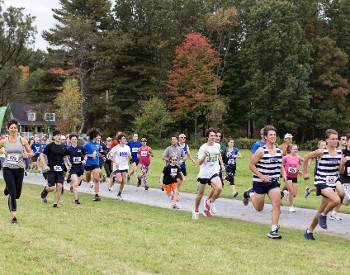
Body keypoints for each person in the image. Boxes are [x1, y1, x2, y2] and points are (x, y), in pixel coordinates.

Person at [243, 125, 286, 239]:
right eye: (270, 135)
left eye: (274, 135)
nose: (273, 137)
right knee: (259, 208)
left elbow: (280, 164)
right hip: (260, 182)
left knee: (276, 204)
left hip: (273, 182)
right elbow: (251, 165)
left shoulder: (279, 151)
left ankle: (273, 230)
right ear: (265, 137)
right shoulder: (261, 151)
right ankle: (249, 193)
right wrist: (261, 176)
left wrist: (284, 174)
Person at [303, 129, 344, 241]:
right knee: (336, 200)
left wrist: (342, 165)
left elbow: (340, 171)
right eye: (332, 139)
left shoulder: (340, 152)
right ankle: (324, 215)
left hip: (332, 182)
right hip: (321, 181)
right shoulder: (321, 151)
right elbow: (306, 157)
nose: (335, 141)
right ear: (327, 140)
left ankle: (309, 231)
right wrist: (305, 172)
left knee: (321, 209)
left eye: (336, 139)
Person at [0, 119, 34, 224]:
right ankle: (14, 217)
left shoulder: (22, 140)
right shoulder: (4, 141)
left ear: (17, 128)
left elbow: (31, 153)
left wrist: (27, 155)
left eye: (15, 127)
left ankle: (7, 188)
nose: (13, 129)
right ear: (8, 129)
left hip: (19, 168)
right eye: (11, 128)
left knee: (17, 194)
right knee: (13, 193)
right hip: (7, 168)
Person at [192, 128, 225, 219]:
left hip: (214, 171)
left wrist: (222, 165)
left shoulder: (217, 146)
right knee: (200, 194)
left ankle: (210, 201)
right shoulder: (203, 148)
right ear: (207, 137)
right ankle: (196, 210)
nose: (214, 137)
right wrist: (205, 155)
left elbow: (218, 154)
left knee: (219, 187)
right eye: (212, 136)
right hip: (204, 173)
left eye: (215, 135)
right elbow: (199, 162)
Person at [40, 130, 71, 208]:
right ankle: (45, 191)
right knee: (52, 188)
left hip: (60, 169)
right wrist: (45, 165)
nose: (59, 136)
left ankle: (55, 204)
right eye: (57, 135)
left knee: (60, 187)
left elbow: (64, 156)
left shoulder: (63, 146)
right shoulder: (50, 146)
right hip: (51, 169)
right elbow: (42, 155)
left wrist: (67, 163)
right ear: (53, 137)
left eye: (59, 135)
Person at [109, 133, 131, 200]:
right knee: (119, 180)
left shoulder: (127, 147)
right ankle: (114, 179)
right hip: (117, 166)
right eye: (123, 138)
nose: (125, 139)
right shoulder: (116, 148)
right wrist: (115, 162)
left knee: (123, 181)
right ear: (119, 140)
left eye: (125, 138)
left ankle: (119, 194)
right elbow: (110, 156)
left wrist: (130, 156)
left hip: (124, 166)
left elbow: (130, 157)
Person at [83, 128, 102, 201]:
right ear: (94, 136)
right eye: (98, 135)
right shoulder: (87, 144)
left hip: (95, 163)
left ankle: (96, 194)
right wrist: (90, 155)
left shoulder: (98, 143)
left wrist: (102, 156)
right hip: (88, 164)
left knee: (96, 179)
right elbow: (82, 153)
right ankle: (81, 178)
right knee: (88, 180)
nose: (99, 136)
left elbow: (96, 152)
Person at [282, 144, 303, 212]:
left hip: (294, 176)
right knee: (291, 191)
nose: (296, 150)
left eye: (296, 149)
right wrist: (283, 173)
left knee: (294, 194)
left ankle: (285, 193)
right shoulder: (286, 157)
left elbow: (300, 163)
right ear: (291, 150)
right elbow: (281, 164)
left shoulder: (298, 157)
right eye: (294, 149)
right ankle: (291, 206)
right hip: (287, 176)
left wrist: (299, 170)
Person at [67, 134, 86, 204]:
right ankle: (76, 200)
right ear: (70, 140)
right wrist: (68, 163)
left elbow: (85, 155)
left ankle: (71, 182)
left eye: (75, 139)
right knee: (75, 183)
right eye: (73, 139)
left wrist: (85, 160)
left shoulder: (81, 148)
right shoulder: (69, 149)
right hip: (73, 168)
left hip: (80, 167)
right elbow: (65, 157)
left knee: (77, 184)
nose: (74, 141)